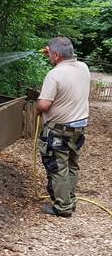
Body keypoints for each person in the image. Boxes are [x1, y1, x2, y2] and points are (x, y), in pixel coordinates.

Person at [36, 36, 90, 217]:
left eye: (50, 54)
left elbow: (44, 105)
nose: (48, 56)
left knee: (58, 167)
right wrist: (52, 50)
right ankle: (70, 201)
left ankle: (63, 207)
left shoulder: (55, 74)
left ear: (57, 55)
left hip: (59, 129)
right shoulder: (83, 68)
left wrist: (37, 105)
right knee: (72, 164)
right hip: (79, 127)